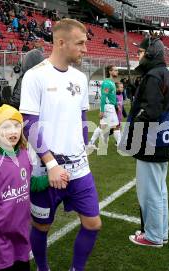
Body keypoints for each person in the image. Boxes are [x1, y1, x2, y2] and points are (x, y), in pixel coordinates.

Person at [20, 18, 101, 271]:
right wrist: (52, 164)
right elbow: (28, 124)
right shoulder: (35, 76)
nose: (85, 49)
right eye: (80, 43)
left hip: (79, 167)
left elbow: (82, 117)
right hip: (46, 171)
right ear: (61, 42)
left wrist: (84, 146)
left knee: (93, 224)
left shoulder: (80, 78)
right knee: (42, 226)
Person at [0, 104, 49, 270]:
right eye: (6, 126)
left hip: (21, 237)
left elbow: (28, 184)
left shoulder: (25, 156)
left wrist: (50, 179)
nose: (13, 131)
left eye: (16, 125)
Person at [123, 37, 169, 247]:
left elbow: (152, 111)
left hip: (152, 140)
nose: (138, 55)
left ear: (149, 53)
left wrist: (133, 125)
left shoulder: (154, 75)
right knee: (160, 189)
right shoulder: (167, 73)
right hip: (167, 138)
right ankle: (159, 231)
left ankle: (153, 236)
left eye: (140, 52)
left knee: (150, 192)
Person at [88, 65, 121, 150]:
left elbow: (112, 96)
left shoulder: (112, 82)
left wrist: (116, 105)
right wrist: (102, 110)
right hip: (108, 108)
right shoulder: (107, 83)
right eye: (115, 70)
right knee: (116, 126)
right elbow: (103, 96)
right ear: (110, 72)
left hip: (110, 107)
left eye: (117, 70)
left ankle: (91, 143)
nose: (117, 72)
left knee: (103, 126)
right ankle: (120, 145)